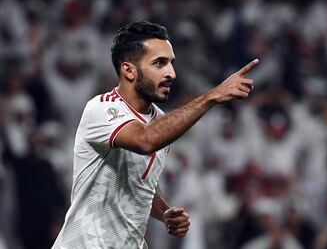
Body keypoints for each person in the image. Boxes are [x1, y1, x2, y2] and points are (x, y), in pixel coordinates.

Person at [52, 21, 258, 249]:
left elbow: (140, 182)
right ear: (128, 70)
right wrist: (211, 96)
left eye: (171, 63)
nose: (171, 73)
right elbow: (145, 140)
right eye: (160, 63)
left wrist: (165, 212)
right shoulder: (100, 110)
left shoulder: (160, 122)